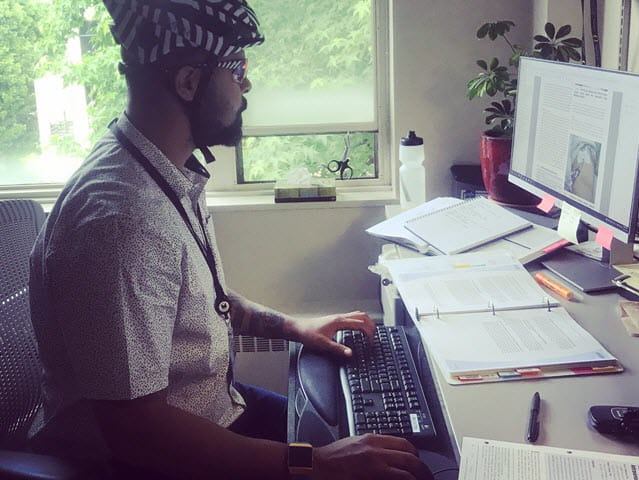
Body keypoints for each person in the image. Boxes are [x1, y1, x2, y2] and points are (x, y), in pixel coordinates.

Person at [28, 1, 434, 479]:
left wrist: (294, 326)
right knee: (403, 466)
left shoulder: (157, 168)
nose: (247, 84)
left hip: (211, 412)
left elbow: (196, 300)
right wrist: (316, 463)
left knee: (391, 444)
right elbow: (136, 433)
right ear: (188, 82)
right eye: (238, 68)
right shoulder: (122, 220)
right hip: (147, 461)